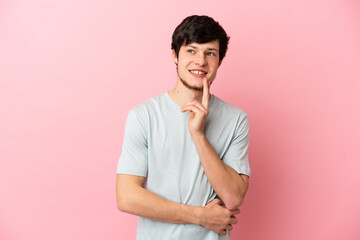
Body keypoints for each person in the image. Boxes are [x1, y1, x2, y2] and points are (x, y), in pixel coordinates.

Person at [116, 15, 251, 240]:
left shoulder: (236, 119)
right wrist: (200, 216)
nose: (200, 61)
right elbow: (126, 196)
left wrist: (198, 134)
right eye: (191, 50)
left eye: (210, 53)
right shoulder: (143, 116)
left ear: (219, 61)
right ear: (175, 56)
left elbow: (234, 197)